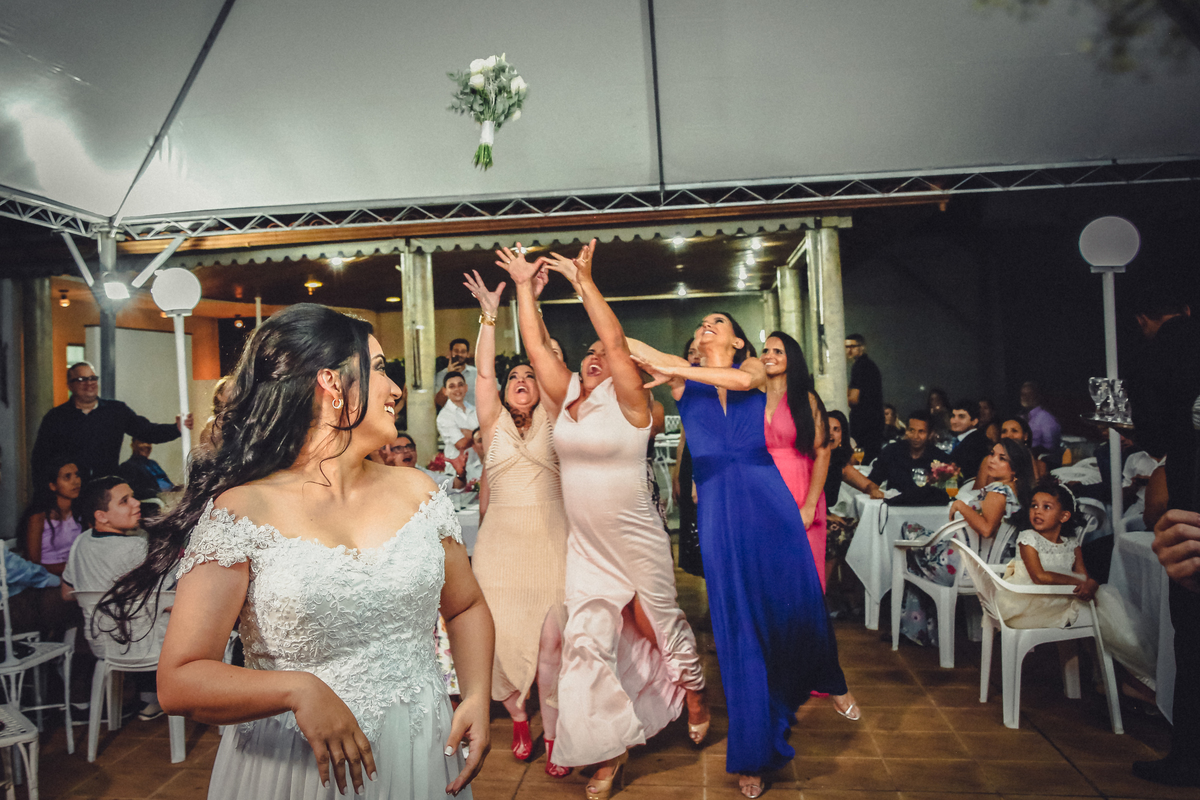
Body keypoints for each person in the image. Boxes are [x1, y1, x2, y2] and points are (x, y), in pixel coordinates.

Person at [95, 303, 495, 799]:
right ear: (331, 383)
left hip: (418, 748)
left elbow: (466, 605)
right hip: (294, 765)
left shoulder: (419, 492)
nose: (395, 389)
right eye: (379, 369)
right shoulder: (243, 511)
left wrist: (476, 694)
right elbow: (179, 680)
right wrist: (297, 690)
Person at [498, 241, 707, 800]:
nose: (595, 356)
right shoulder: (565, 395)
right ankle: (609, 753)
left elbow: (615, 340)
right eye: (586, 353)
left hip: (636, 538)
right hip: (587, 547)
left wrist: (584, 283)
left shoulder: (633, 403)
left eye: (603, 354)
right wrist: (523, 287)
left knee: (662, 624)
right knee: (585, 643)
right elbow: (536, 345)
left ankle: (694, 691)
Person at [631, 309, 858, 799]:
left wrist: (676, 367)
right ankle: (753, 752)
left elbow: (738, 381)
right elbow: (624, 343)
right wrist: (582, 285)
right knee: (738, 627)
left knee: (798, 597)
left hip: (768, 500)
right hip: (720, 508)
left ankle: (826, 674)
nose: (706, 325)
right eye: (701, 323)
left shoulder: (751, 369)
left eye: (718, 321)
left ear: (737, 342)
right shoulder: (682, 383)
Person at [461, 269, 572, 777]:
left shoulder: (555, 417)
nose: (522, 381)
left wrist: (530, 302)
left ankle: (555, 731)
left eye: (530, 375)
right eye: (514, 377)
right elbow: (483, 374)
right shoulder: (492, 423)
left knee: (552, 639)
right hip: (499, 549)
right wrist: (489, 315)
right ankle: (520, 719)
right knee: (501, 638)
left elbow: (545, 356)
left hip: (550, 541)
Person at [1128, 289, 1200, 787]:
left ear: (1143, 319)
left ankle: (1188, 756)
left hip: (1189, 507)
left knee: (1191, 639)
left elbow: (1154, 434)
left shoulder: (1163, 354)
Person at [898, 438, 1033, 647]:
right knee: (916, 548)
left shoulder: (999, 491)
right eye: (992, 454)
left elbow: (986, 529)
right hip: (991, 564)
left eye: (1002, 458)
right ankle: (921, 631)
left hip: (965, 567)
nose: (992, 460)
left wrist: (961, 506)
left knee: (908, 532)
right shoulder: (1017, 491)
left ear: (1014, 468)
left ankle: (918, 632)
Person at [63, 476, 172, 720]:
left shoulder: (81, 542)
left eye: (132, 497)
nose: (136, 503)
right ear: (101, 516)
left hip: (104, 647)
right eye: (124, 501)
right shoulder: (136, 548)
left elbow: (66, 593)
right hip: (146, 646)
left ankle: (149, 698)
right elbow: (170, 601)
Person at [31, 361, 193, 482]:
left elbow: (147, 431)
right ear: (70, 385)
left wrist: (176, 428)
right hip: (71, 493)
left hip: (105, 489)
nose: (89, 383)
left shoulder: (116, 410)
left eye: (92, 378)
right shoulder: (56, 417)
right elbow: (40, 460)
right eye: (81, 379)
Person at [762, 331, 833, 590]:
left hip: (799, 487)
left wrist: (810, 505)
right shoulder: (753, 397)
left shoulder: (806, 398)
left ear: (791, 358)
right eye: (765, 350)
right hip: (763, 490)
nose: (769, 356)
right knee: (769, 569)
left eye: (778, 351)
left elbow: (823, 451)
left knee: (802, 570)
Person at [823, 410, 884, 597]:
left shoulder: (839, 464)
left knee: (861, 531)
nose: (831, 434)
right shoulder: (810, 459)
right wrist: (826, 515)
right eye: (827, 428)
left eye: (837, 429)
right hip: (810, 517)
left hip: (826, 517)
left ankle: (849, 593)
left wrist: (873, 490)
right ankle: (822, 596)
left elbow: (868, 485)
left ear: (843, 436)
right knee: (836, 533)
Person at [672, 340, 704, 578]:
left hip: (706, 460)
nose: (694, 356)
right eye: (690, 352)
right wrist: (677, 472)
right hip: (689, 459)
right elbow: (684, 434)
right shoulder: (687, 389)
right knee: (691, 522)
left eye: (699, 352)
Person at [23, 457, 83, 576]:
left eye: (77, 475)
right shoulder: (38, 518)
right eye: (67, 477)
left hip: (75, 574)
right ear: (52, 485)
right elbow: (33, 564)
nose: (76, 481)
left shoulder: (80, 512)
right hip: (46, 578)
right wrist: (74, 567)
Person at [867, 410, 937, 494]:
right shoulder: (892, 451)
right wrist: (873, 490)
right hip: (894, 501)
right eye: (912, 430)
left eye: (921, 432)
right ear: (906, 430)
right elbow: (873, 481)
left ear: (930, 434)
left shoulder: (939, 459)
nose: (915, 436)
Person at [845, 333, 884, 463]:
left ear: (862, 347)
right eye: (846, 347)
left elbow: (853, 399)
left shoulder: (859, 366)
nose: (849, 350)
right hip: (874, 423)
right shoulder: (869, 365)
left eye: (852, 346)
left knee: (861, 462)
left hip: (864, 424)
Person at [437, 371, 480, 470]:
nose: (457, 389)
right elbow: (461, 444)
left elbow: (489, 437)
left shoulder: (475, 410)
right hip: (457, 470)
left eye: (460, 385)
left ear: (466, 388)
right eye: (452, 386)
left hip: (478, 466)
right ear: (445, 391)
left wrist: (468, 433)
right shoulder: (444, 416)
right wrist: (479, 434)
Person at [947, 400, 991, 483]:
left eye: (961, 417)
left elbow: (968, 476)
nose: (954, 421)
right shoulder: (961, 440)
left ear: (974, 421)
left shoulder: (977, 443)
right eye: (953, 416)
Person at [435, 338, 484, 408]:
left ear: (467, 354)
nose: (459, 354)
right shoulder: (441, 375)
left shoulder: (477, 374)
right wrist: (449, 375)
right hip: (451, 414)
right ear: (450, 353)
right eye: (456, 351)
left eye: (463, 352)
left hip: (474, 414)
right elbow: (440, 402)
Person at [1019, 381, 1062, 454]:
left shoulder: (1046, 419)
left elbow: (1051, 448)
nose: (1025, 397)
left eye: (1030, 394)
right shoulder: (1021, 417)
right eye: (1023, 394)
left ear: (1037, 396)